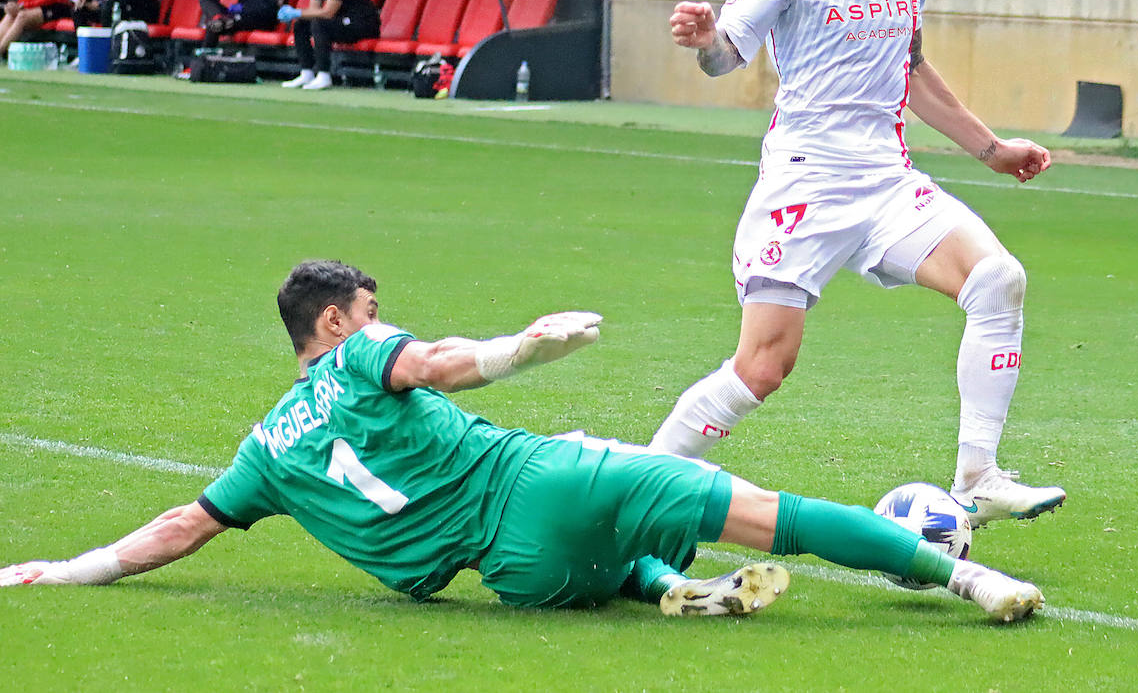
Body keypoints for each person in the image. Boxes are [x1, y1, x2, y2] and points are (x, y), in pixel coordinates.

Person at [0, 260, 1044, 624]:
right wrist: (524, 350)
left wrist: (68, 568)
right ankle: (961, 578)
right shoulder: (358, 357)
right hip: (534, 482)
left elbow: (187, 526)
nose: (375, 320)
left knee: (605, 554)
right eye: (366, 308)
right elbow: (435, 362)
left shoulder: (265, 448)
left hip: (512, 573)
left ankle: (656, 587)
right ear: (330, 324)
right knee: (769, 515)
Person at [653, 0, 1065, 531]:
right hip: (805, 184)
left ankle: (978, 476)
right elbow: (729, 54)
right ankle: (639, 481)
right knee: (761, 370)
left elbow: (911, 66)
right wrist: (704, 38)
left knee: (998, 279)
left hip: (885, 179)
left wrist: (990, 149)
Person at [278, 0, 380, 91]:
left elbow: (328, 12)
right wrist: (298, 15)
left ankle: (324, 74)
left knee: (320, 24)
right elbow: (314, 10)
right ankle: (306, 72)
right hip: (341, 22)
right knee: (301, 24)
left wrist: (296, 11)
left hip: (362, 23)